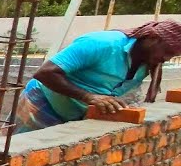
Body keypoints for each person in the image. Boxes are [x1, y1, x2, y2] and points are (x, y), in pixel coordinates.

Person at [16, 20, 181, 133]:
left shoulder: (149, 62)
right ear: (152, 38)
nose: (166, 58)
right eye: (167, 52)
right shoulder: (102, 44)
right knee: (16, 158)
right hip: (43, 104)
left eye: (172, 55)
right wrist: (89, 97)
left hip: (78, 116)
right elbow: (45, 73)